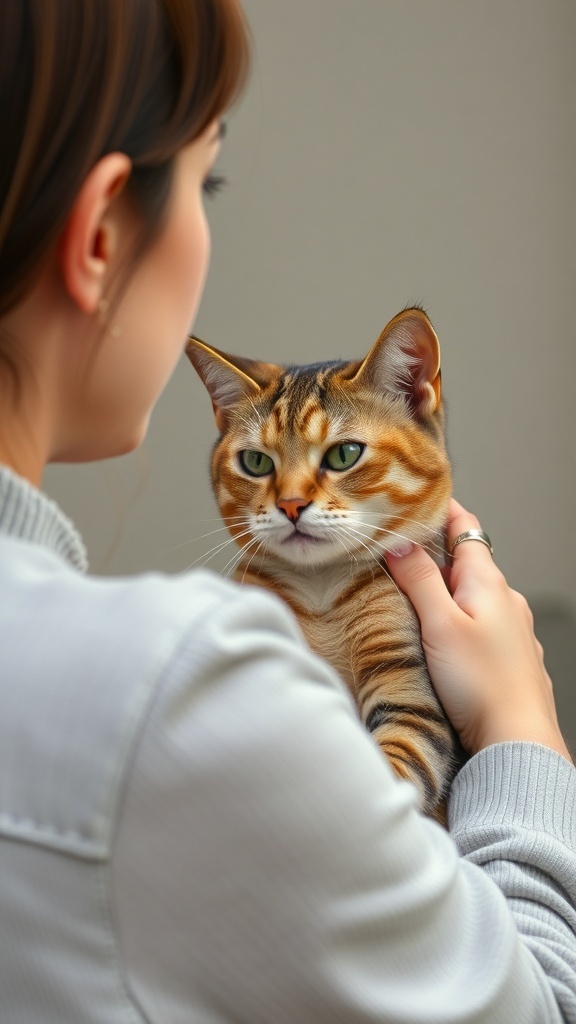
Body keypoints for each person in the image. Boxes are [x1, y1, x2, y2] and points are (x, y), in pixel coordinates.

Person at [0, 1, 574, 1021]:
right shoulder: (177, 688)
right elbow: (536, 1006)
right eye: (206, 178)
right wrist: (523, 729)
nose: (296, 495)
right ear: (99, 236)